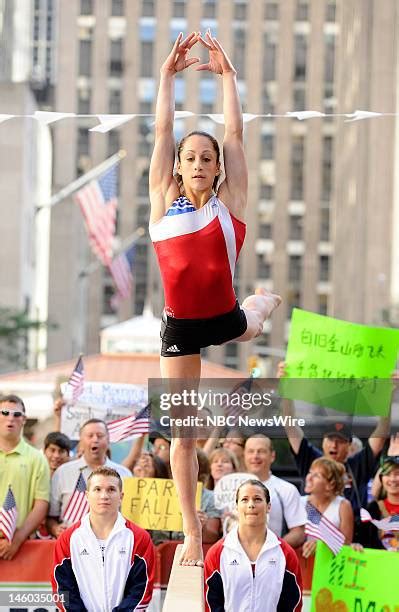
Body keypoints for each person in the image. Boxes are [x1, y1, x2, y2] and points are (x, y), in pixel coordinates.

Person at [149, 30, 281, 565]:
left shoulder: (231, 203)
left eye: (208, 157)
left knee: (250, 323)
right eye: (191, 157)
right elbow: (162, 128)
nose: (201, 163)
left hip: (225, 316)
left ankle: (262, 302)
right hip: (181, 328)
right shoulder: (162, 205)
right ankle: (190, 532)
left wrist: (227, 76)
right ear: (177, 167)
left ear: (219, 167)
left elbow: (235, 130)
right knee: (182, 436)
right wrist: (166, 77)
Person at [277, 361, 389, 519]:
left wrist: (388, 396)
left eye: (340, 441)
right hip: (312, 534)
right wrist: (286, 388)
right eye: (330, 439)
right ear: (323, 441)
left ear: (349, 446)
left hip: (351, 539)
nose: (334, 445)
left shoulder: (358, 465)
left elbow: (382, 432)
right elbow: (290, 425)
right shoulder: (311, 459)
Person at [52, 466, 155, 611]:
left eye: (111, 489)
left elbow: (142, 589)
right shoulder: (68, 539)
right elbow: (61, 588)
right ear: (87, 495)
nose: (104, 496)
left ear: (121, 496)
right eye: (97, 489)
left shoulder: (139, 538)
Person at [204, 479, 302, 611]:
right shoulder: (217, 553)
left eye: (257, 499)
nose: (251, 505)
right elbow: (210, 602)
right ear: (236, 506)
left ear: (268, 506)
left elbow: (293, 603)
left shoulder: (285, 553)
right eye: (245, 499)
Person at [47, 418, 132, 537]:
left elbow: (131, 518)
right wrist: (55, 528)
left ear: (108, 440)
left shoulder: (125, 475)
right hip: (72, 543)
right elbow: (51, 517)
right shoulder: (63, 473)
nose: (95, 439)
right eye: (90, 435)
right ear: (81, 441)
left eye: (100, 435)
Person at [0, 394, 50, 560]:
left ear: (24, 419)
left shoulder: (37, 458)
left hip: (21, 549)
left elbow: (41, 503)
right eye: (5, 412)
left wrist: (17, 540)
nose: (11, 418)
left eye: (17, 414)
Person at [244, 435, 306, 547]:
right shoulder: (229, 486)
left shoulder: (287, 489)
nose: (255, 456)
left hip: (272, 561)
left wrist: (273, 548)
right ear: (244, 455)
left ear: (272, 456)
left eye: (261, 451)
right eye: (251, 451)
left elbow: (298, 532)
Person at [301, 457, 354, 558]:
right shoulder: (300, 502)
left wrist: (321, 546)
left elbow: (346, 546)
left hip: (329, 566)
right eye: (310, 472)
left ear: (330, 485)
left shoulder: (343, 506)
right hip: (302, 564)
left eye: (316, 475)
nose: (309, 478)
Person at [359, 456, 399, 550]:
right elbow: (364, 542)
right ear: (381, 479)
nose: (392, 479)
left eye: (397, 474)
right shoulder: (372, 509)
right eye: (387, 474)